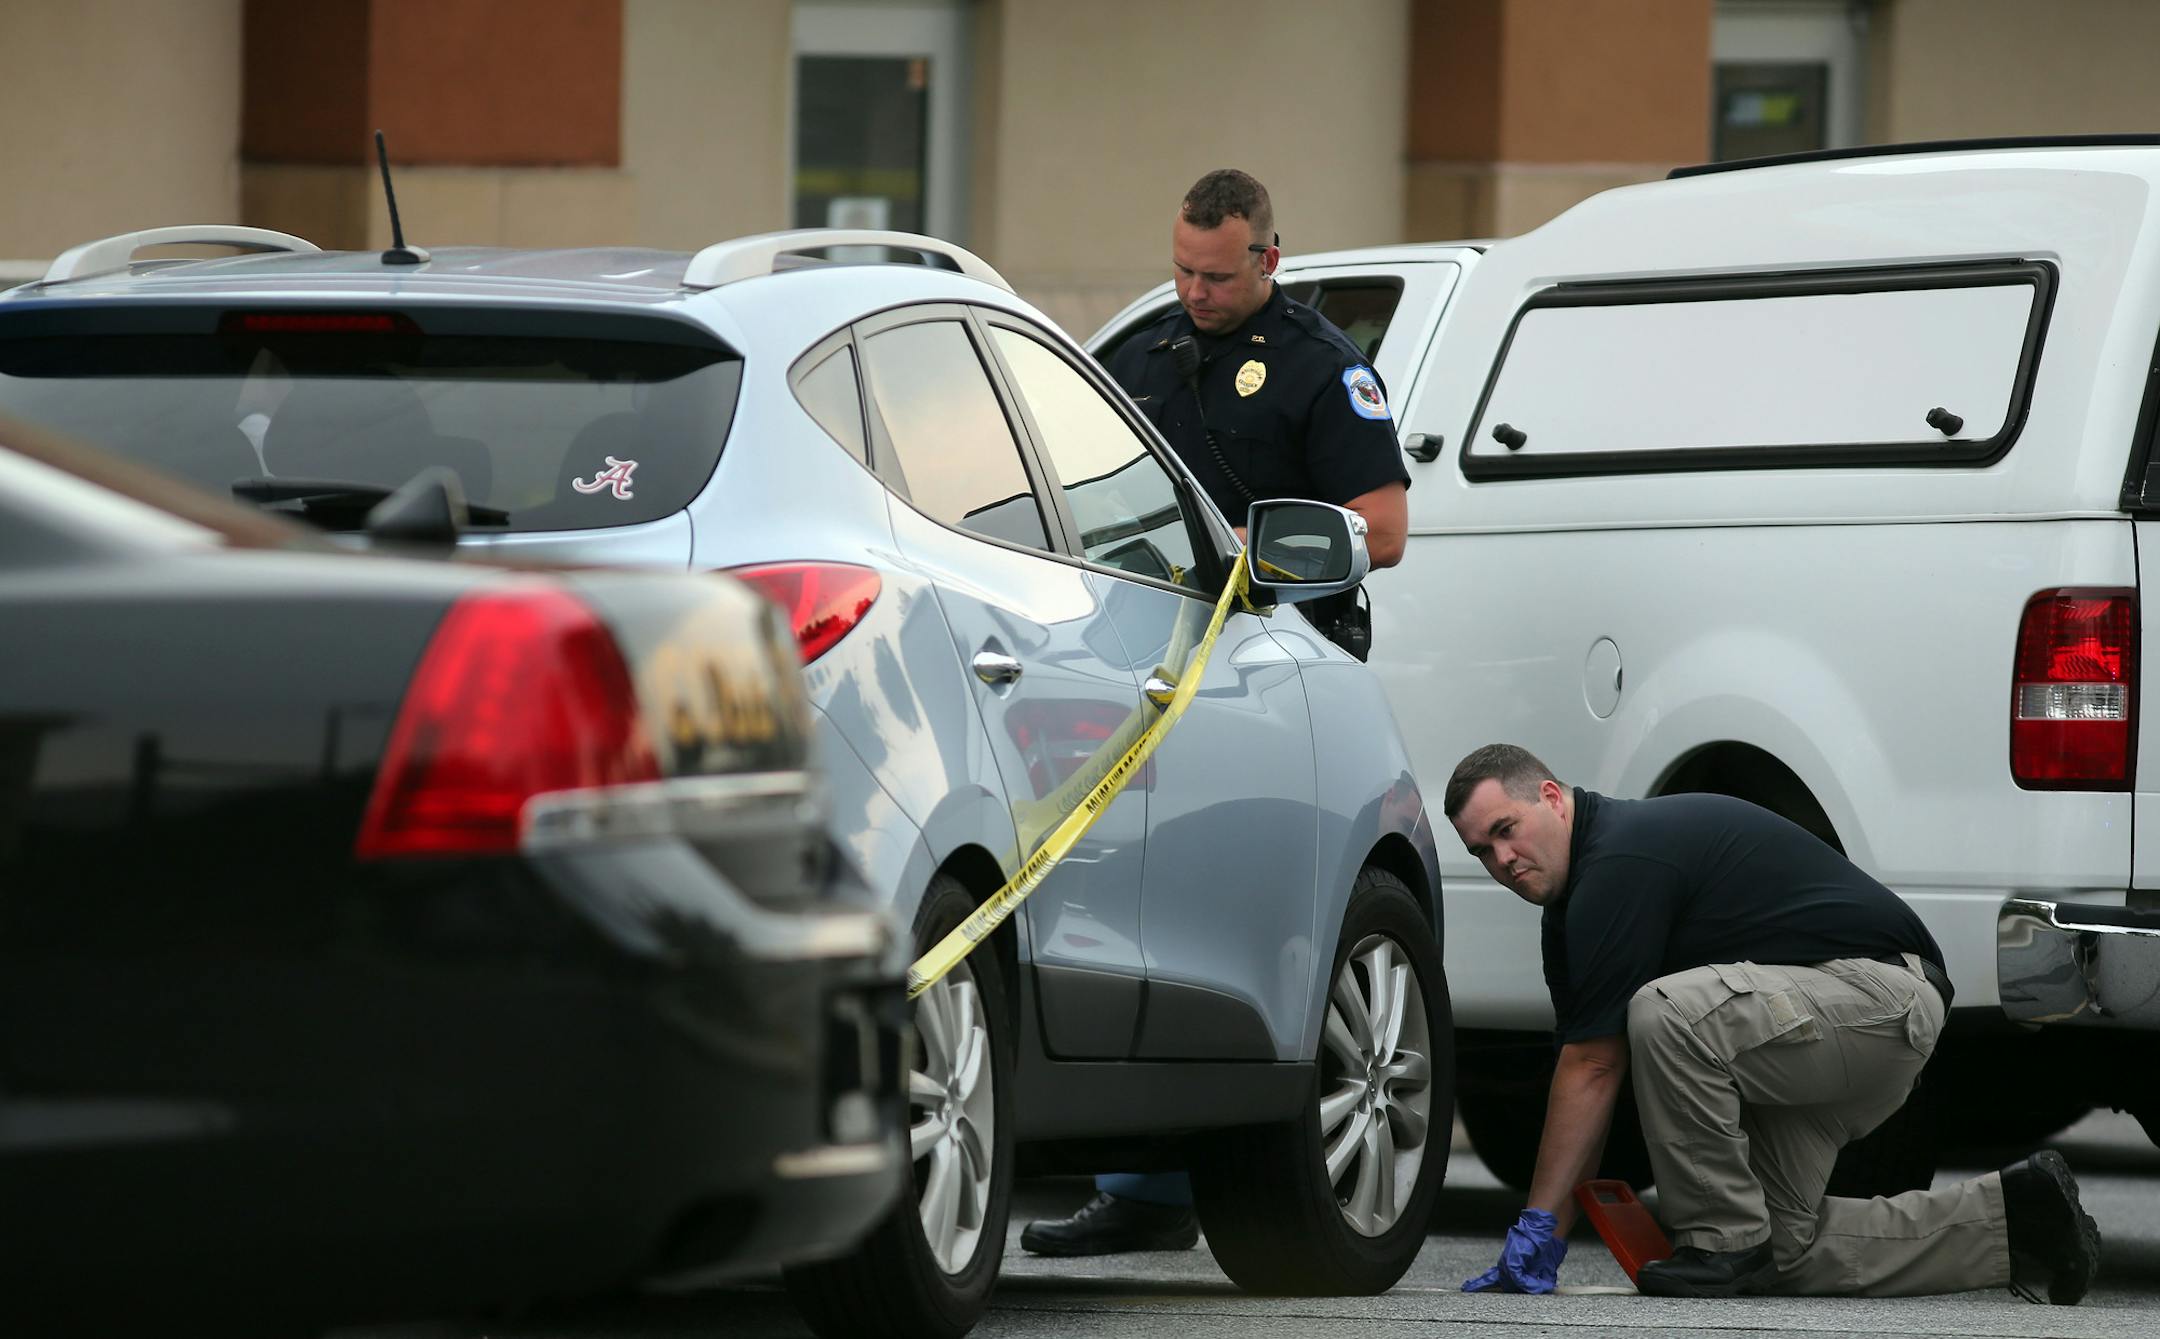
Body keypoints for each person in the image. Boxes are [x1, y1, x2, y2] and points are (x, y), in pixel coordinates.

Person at [1019, 169, 1413, 1260]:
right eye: (1182, 270)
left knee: (1253, 914)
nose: (1194, 292)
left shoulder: (1324, 369)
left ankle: (1265, 1174)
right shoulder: (1144, 353)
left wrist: (1250, 545)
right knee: (1151, 904)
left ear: (1269, 259)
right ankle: (1143, 1189)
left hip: (1271, 665)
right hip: (1141, 655)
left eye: (1218, 276)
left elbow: (1383, 528)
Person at [1442, 743, 2103, 1303]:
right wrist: (1544, 1236)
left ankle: (1719, 1241)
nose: (1502, 859)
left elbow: (1594, 1065)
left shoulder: (1619, 858)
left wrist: (1538, 1224)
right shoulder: (1569, 916)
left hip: (1880, 997)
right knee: (1783, 1251)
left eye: (1506, 828)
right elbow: (1587, 1079)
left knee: (1666, 1013)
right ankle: (2019, 1224)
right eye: (1481, 851)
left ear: (1552, 798)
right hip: (1829, 1031)